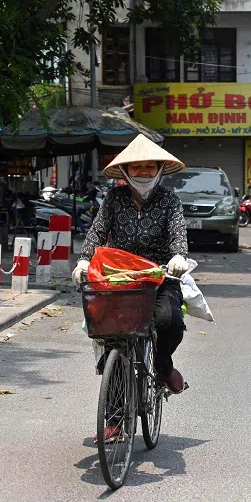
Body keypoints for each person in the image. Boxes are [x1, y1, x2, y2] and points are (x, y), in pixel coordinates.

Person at [71, 133, 190, 394]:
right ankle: (113, 412)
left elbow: (178, 234)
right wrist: (83, 262)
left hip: (160, 276)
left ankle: (163, 366)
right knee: (110, 335)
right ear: (125, 170)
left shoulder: (170, 200)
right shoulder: (114, 198)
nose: (144, 172)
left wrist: (178, 256)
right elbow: (97, 232)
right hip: (119, 276)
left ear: (159, 170)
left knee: (170, 321)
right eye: (137, 166)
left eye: (150, 166)